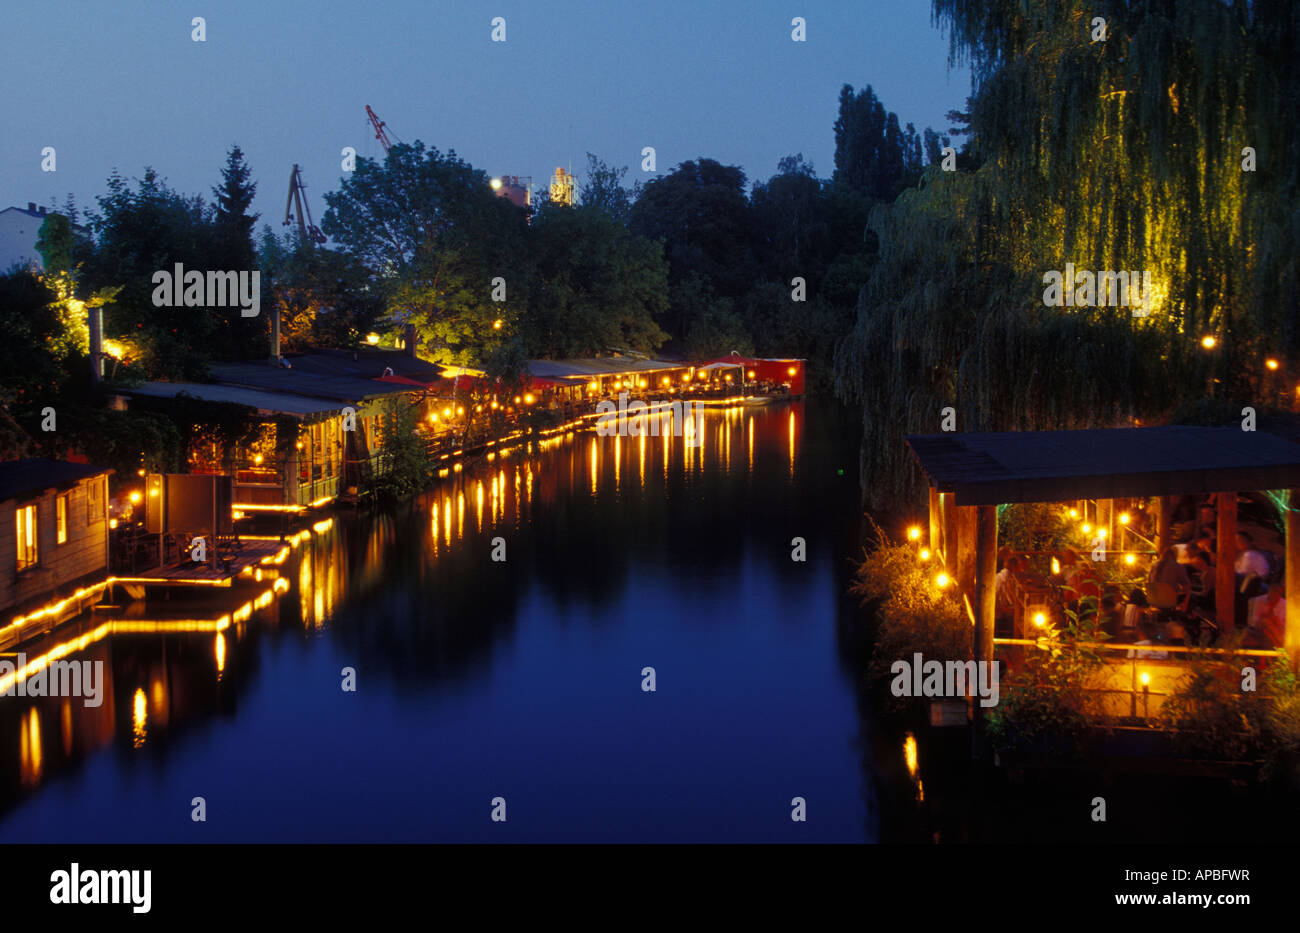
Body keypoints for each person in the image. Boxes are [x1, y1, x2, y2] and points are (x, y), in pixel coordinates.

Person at [1234, 531, 1270, 627]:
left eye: (1239, 540)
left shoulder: (1250, 555)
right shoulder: (1245, 554)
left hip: (1257, 586)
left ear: (1246, 541)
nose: (1236, 543)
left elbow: (1241, 573)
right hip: (1250, 583)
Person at [1148, 547, 1191, 612]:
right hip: (1170, 600)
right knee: (1193, 598)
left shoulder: (1154, 565)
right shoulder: (1177, 566)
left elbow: (1149, 582)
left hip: (1154, 600)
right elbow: (1187, 585)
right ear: (1175, 556)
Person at [1244, 583, 1286, 648]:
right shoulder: (1259, 601)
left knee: (1267, 623)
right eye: (1273, 592)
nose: (1275, 595)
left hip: (1278, 635)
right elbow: (1254, 623)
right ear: (1269, 591)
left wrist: (1272, 618)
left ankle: (1278, 646)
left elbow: (1282, 627)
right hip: (1260, 632)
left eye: (1278, 593)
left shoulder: (1285, 605)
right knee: (1265, 623)